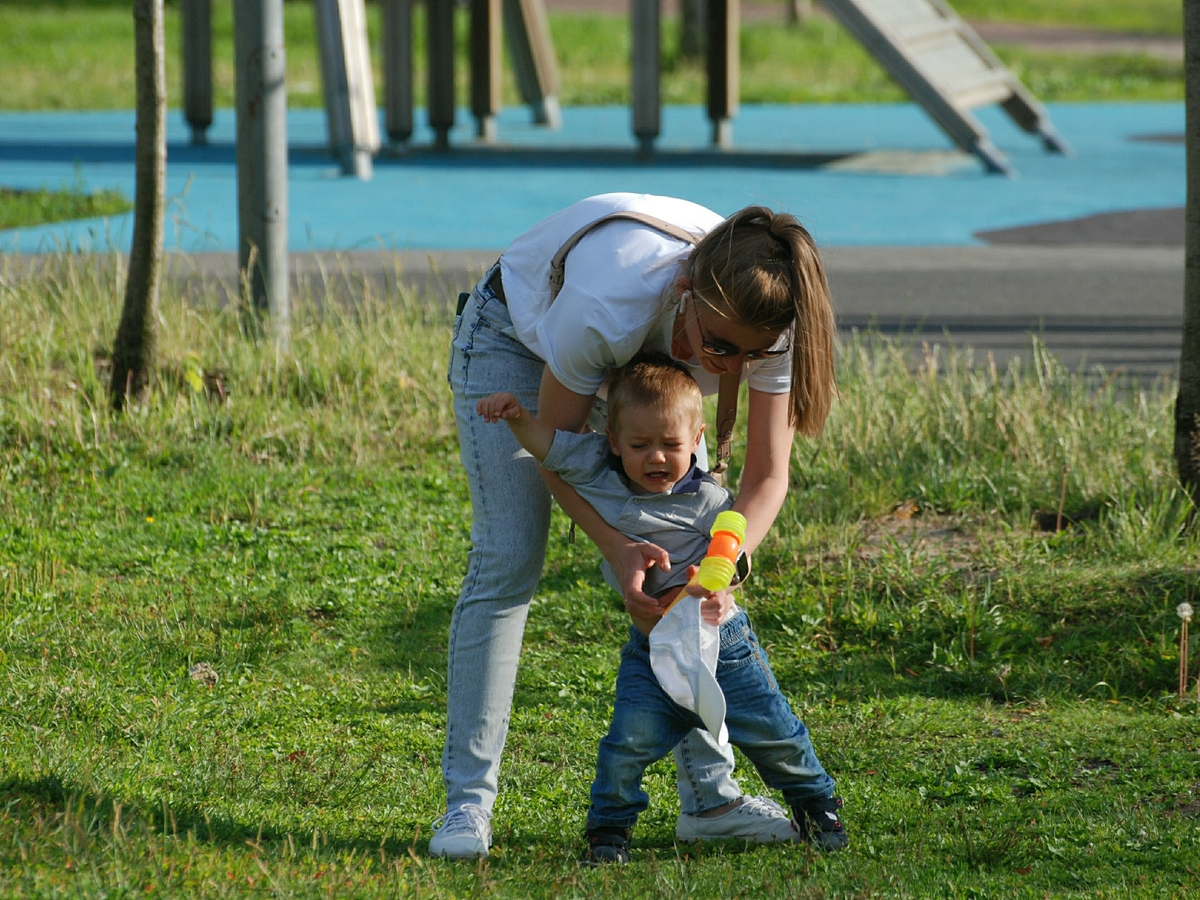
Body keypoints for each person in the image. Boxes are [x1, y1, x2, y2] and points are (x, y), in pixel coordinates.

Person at [432, 193, 837, 859]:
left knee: (688, 579)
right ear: (686, 291)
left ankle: (711, 799)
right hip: (516, 340)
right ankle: (466, 809)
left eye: (749, 355)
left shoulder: (764, 314)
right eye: (720, 350)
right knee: (509, 559)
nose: (731, 368)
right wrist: (618, 548)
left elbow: (766, 479)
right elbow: (563, 459)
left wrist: (720, 564)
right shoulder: (609, 308)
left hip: (650, 373)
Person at [475, 353, 846, 864]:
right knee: (625, 746)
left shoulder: (710, 499)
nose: (656, 458)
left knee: (773, 731)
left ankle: (816, 805)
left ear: (695, 442)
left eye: (671, 445)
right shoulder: (596, 469)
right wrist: (517, 415)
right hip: (650, 650)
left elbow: (736, 555)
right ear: (612, 442)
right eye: (640, 445)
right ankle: (608, 833)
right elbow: (548, 447)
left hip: (724, 647)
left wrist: (715, 581)